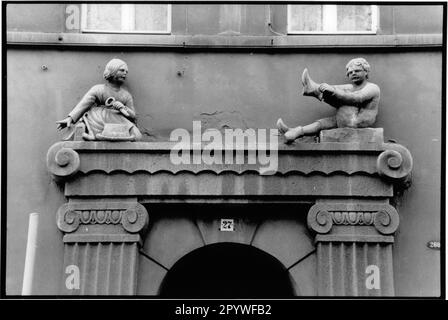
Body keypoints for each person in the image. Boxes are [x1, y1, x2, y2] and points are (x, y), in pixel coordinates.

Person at [277, 58, 380, 143]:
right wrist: (329, 89)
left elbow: (357, 98)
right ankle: (297, 131)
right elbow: (337, 90)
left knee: (340, 96)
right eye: (350, 72)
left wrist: (333, 92)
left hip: (357, 122)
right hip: (347, 119)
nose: (353, 73)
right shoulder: (351, 87)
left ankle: (313, 89)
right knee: (322, 123)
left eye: (357, 71)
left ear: (366, 71)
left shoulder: (372, 87)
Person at [56, 58, 142, 141]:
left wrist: (124, 108)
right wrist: (70, 119)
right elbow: (84, 104)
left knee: (137, 136)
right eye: (122, 70)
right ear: (112, 71)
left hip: (118, 119)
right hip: (99, 118)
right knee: (96, 122)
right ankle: (99, 135)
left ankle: (101, 137)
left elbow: (133, 115)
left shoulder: (126, 95)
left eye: (126, 72)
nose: (125, 73)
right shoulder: (98, 89)